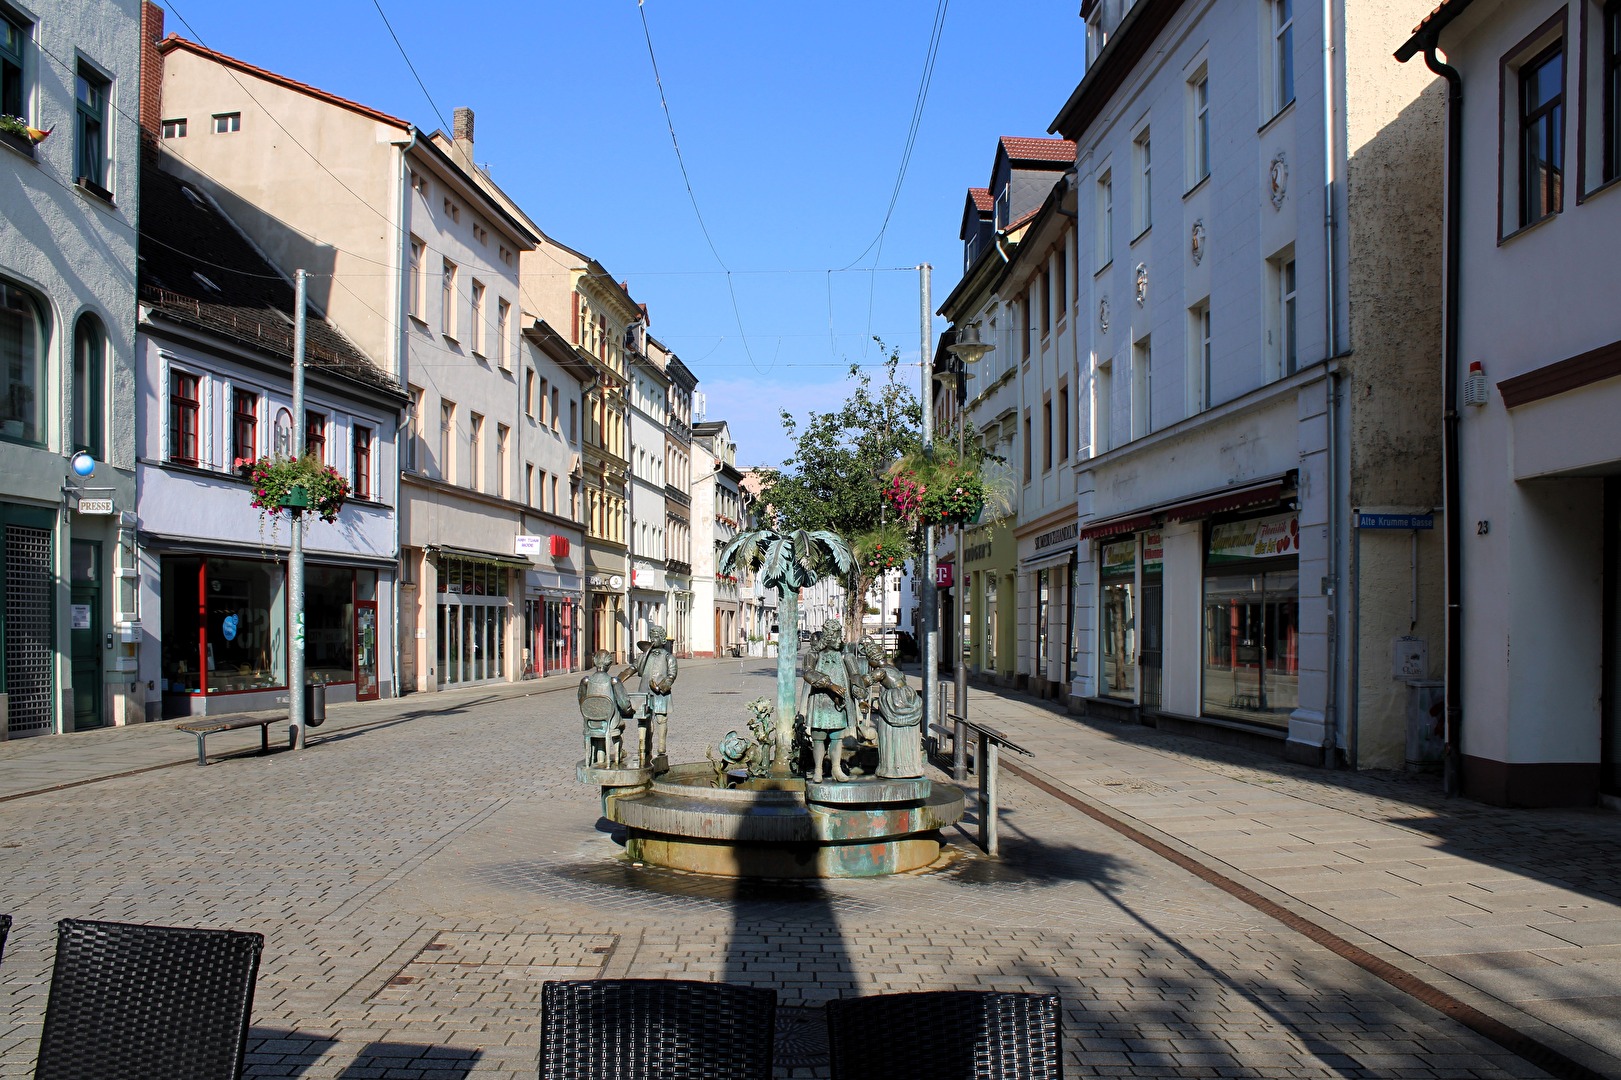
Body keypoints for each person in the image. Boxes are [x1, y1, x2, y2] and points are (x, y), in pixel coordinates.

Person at [801, 620, 856, 782]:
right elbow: (808, 673)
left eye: (840, 636)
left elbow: (855, 676)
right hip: (820, 700)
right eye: (836, 637)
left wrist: (859, 686)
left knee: (836, 736)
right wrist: (830, 685)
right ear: (828, 637)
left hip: (838, 702)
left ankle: (836, 768)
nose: (840, 640)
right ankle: (818, 769)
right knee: (818, 735)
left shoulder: (845, 655)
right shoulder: (813, 655)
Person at [862, 640, 924, 778]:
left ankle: (892, 768)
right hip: (908, 696)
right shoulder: (893, 668)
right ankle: (910, 766)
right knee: (907, 733)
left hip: (895, 700)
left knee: (890, 732)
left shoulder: (881, 672)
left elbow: (864, 682)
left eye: (869, 660)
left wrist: (854, 678)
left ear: (873, 660)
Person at [625, 624, 678, 760]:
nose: (653, 639)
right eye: (651, 636)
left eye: (656, 637)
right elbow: (633, 668)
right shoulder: (644, 656)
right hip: (644, 691)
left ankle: (661, 747)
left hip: (660, 693)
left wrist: (660, 687)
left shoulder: (668, 657)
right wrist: (620, 678)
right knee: (644, 720)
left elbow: (671, 675)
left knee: (661, 719)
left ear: (663, 639)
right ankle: (644, 746)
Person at [578, 650, 633, 767]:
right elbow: (624, 703)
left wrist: (591, 712)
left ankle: (598, 757)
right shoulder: (613, 681)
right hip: (610, 723)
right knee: (620, 726)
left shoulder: (586, 681)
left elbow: (582, 701)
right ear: (609, 664)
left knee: (600, 726)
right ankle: (618, 754)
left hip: (591, 723)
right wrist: (629, 710)